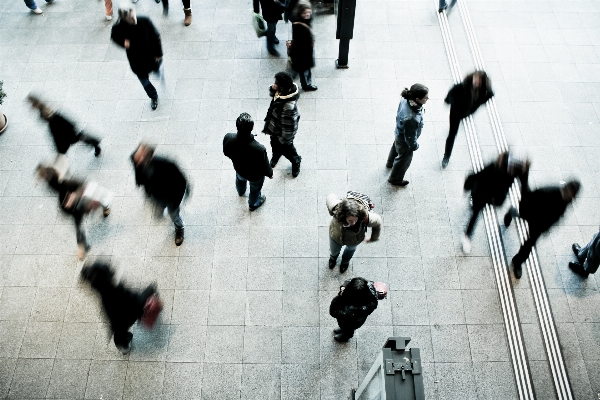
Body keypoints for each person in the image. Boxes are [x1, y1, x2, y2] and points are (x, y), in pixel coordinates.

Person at [505, 180, 580, 279]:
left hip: (539, 225)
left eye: (573, 194)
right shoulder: (549, 191)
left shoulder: (566, 201)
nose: (571, 196)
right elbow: (532, 197)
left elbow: (558, 215)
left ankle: (517, 261)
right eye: (570, 192)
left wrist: (547, 226)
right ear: (566, 188)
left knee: (529, 244)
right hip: (532, 214)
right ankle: (512, 212)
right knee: (521, 216)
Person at [80, 262, 159, 354]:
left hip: (120, 322)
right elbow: (135, 299)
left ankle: (124, 347)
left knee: (120, 334)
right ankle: (153, 291)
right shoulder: (117, 290)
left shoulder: (102, 292)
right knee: (146, 294)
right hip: (131, 311)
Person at [37, 165, 112, 260]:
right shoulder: (55, 184)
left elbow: (82, 186)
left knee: (95, 202)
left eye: (45, 177)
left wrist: (73, 197)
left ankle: (81, 247)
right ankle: (81, 246)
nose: (45, 180)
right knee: (79, 224)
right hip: (75, 206)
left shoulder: (66, 182)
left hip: (77, 202)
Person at [461, 152, 529, 254]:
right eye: (511, 168)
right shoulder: (494, 166)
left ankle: (510, 213)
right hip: (483, 191)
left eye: (515, 169)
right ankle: (467, 236)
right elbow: (479, 176)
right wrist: (469, 185)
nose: (512, 171)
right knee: (476, 212)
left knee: (494, 205)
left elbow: (525, 188)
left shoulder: (520, 170)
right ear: (507, 164)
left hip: (497, 197)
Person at [131, 143, 188, 246]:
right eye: (137, 154)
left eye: (141, 156)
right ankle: (163, 210)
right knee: (158, 211)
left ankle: (179, 229)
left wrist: (176, 200)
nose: (137, 158)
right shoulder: (135, 159)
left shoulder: (166, 164)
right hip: (155, 194)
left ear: (150, 156)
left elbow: (181, 181)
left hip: (170, 196)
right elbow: (138, 172)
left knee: (174, 214)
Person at [111, 4, 164, 110]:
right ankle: (153, 96)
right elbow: (114, 37)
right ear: (124, 18)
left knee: (156, 68)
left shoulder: (144, 21)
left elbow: (155, 36)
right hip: (136, 60)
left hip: (151, 56)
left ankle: (157, 71)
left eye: (133, 15)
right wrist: (123, 42)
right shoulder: (119, 28)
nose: (134, 19)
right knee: (144, 81)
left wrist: (158, 54)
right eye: (131, 18)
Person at [442, 71, 494, 168]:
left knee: (453, 132)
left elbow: (485, 98)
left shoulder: (484, 92)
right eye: (476, 79)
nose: (477, 82)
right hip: (456, 114)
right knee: (452, 134)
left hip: (467, 113)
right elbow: (449, 97)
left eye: (480, 81)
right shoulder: (460, 87)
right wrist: (452, 101)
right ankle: (446, 157)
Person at [223, 113, 273, 211]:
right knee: (255, 190)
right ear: (252, 127)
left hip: (239, 169)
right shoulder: (259, 149)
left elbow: (226, 152)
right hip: (255, 176)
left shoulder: (228, 137)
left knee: (240, 180)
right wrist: (270, 173)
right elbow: (265, 166)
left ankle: (241, 192)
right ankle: (253, 204)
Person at [28, 94, 102, 160]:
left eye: (32, 104)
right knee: (69, 142)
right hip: (57, 125)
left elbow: (51, 116)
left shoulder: (44, 108)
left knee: (70, 141)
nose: (32, 107)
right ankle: (94, 144)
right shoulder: (42, 108)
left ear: (35, 103)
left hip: (58, 125)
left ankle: (94, 143)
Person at [326, 192, 382, 273]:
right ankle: (333, 258)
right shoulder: (337, 209)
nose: (353, 223)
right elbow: (330, 196)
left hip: (355, 239)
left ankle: (345, 262)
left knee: (350, 250)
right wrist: (331, 211)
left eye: (356, 220)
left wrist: (374, 238)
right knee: (334, 250)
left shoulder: (365, 216)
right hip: (335, 235)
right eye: (350, 220)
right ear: (343, 216)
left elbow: (378, 221)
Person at [386, 84, 429, 187]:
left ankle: (390, 163)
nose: (428, 98)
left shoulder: (405, 98)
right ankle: (395, 179)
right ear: (417, 99)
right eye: (425, 97)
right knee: (403, 159)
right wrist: (414, 146)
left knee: (396, 148)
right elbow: (410, 137)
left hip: (399, 132)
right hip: (405, 141)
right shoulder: (411, 118)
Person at [262, 72, 302, 177]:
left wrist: (284, 140)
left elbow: (289, 127)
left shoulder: (289, 106)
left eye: (276, 84)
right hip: (275, 127)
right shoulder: (282, 92)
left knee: (287, 150)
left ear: (282, 88)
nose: (274, 84)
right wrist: (273, 89)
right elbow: (274, 95)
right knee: (274, 144)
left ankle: (296, 161)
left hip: (283, 134)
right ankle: (276, 155)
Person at [329, 277, 379, 342]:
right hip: (352, 320)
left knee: (348, 330)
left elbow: (333, 312)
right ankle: (342, 329)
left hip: (352, 322)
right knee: (344, 327)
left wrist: (340, 297)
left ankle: (345, 337)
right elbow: (348, 281)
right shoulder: (367, 288)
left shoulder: (353, 307)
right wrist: (343, 287)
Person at [289, 1, 318, 91]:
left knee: (300, 70)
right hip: (301, 53)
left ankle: (291, 83)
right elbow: (299, 42)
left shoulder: (304, 20)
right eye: (305, 13)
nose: (307, 14)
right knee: (301, 70)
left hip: (304, 52)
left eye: (309, 12)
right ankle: (306, 85)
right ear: (300, 13)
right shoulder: (298, 26)